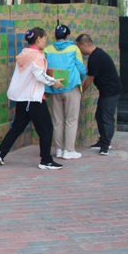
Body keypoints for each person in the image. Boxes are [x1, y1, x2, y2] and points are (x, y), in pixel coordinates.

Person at [0, 28, 64, 170]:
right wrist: (53, 82)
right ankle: (46, 160)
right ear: (38, 39)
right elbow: (39, 75)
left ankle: (0, 154)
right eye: (45, 39)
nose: (45, 42)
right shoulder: (37, 56)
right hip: (33, 98)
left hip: (22, 98)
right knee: (46, 129)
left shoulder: (24, 54)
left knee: (17, 127)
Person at [44, 25, 87, 160]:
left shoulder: (47, 49)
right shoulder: (74, 48)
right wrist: (82, 78)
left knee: (57, 121)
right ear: (68, 36)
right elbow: (81, 68)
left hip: (54, 87)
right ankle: (69, 150)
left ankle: (58, 149)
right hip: (71, 86)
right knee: (71, 120)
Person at [76, 34, 123, 156]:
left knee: (106, 116)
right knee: (99, 115)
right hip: (106, 91)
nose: (79, 50)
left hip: (111, 91)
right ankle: (103, 140)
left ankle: (106, 144)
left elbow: (90, 78)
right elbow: (89, 71)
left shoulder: (95, 57)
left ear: (84, 45)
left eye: (79, 47)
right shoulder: (96, 55)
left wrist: (80, 92)